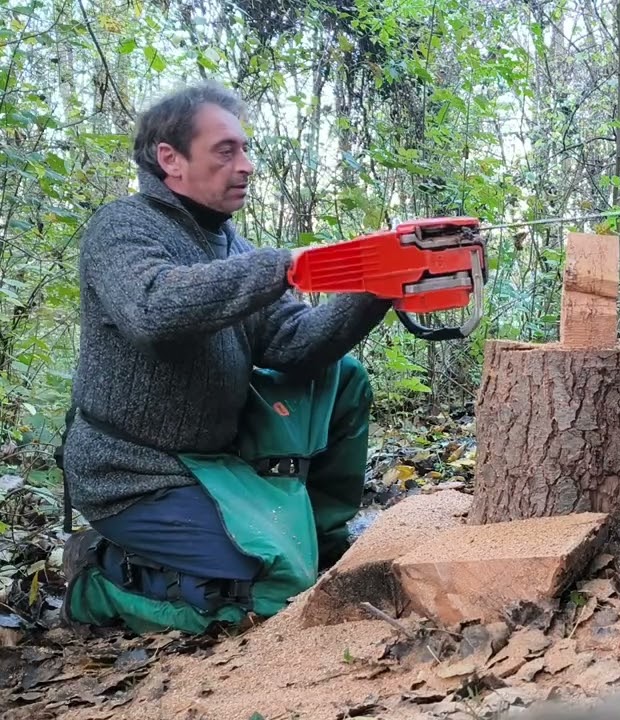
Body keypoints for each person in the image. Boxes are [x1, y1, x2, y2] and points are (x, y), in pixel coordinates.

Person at [57, 81, 391, 635]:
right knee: (276, 589)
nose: (246, 165)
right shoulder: (121, 227)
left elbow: (294, 346)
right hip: (132, 473)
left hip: (215, 457)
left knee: (343, 377)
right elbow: (153, 309)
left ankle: (325, 541)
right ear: (171, 159)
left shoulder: (231, 245)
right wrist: (285, 264)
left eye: (245, 149)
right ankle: (101, 579)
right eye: (225, 151)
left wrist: (379, 285)